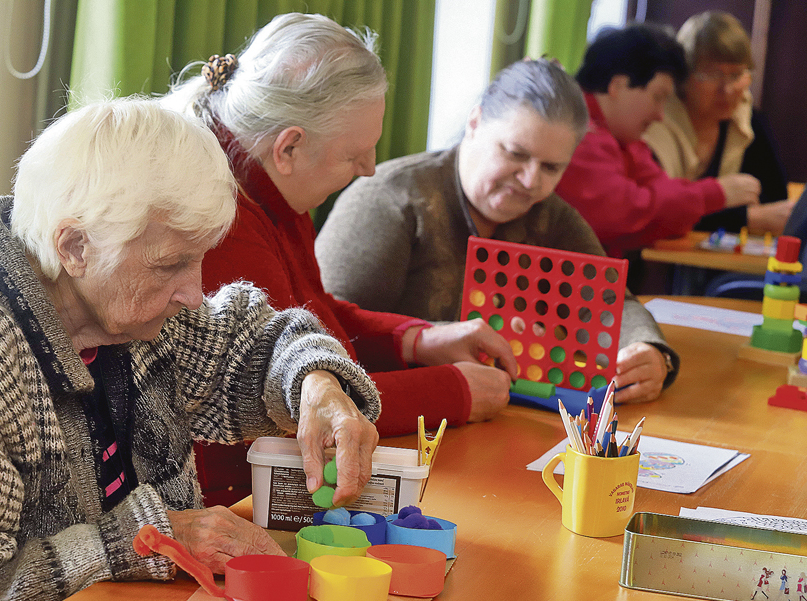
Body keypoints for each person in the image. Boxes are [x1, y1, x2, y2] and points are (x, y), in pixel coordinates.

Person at [0, 97, 381, 601]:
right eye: (170, 264)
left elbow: (248, 345)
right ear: (75, 246)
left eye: (198, 259)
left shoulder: (118, 305)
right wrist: (152, 538)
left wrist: (316, 382)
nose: (192, 291)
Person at [162, 12, 519, 506]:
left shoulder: (270, 181)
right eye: (354, 155)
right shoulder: (220, 221)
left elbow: (313, 315)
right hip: (228, 499)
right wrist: (450, 392)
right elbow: (285, 401)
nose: (370, 169)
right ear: (289, 147)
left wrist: (416, 341)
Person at [316, 59, 679, 406]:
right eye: (516, 154)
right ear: (474, 123)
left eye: (551, 167)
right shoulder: (391, 199)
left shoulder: (551, 215)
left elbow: (611, 304)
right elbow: (323, 330)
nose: (530, 181)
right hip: (395, 422)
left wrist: (648, 352)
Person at [554, 24, 761, 259]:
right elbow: (623, 213)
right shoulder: (574, 130)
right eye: (658, 97)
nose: (660, 115)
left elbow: (665, 208)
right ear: (617, 86)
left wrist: (695, 200)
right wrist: (713, 194)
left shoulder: (624, 137)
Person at [643, 11, 792, 235]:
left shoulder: (748, 119)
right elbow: (657, 210)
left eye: (737, 74)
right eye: (712, 75)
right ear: (683, 76)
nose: (728, 89)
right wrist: (747, 218)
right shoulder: (655, 120)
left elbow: (776, 203)